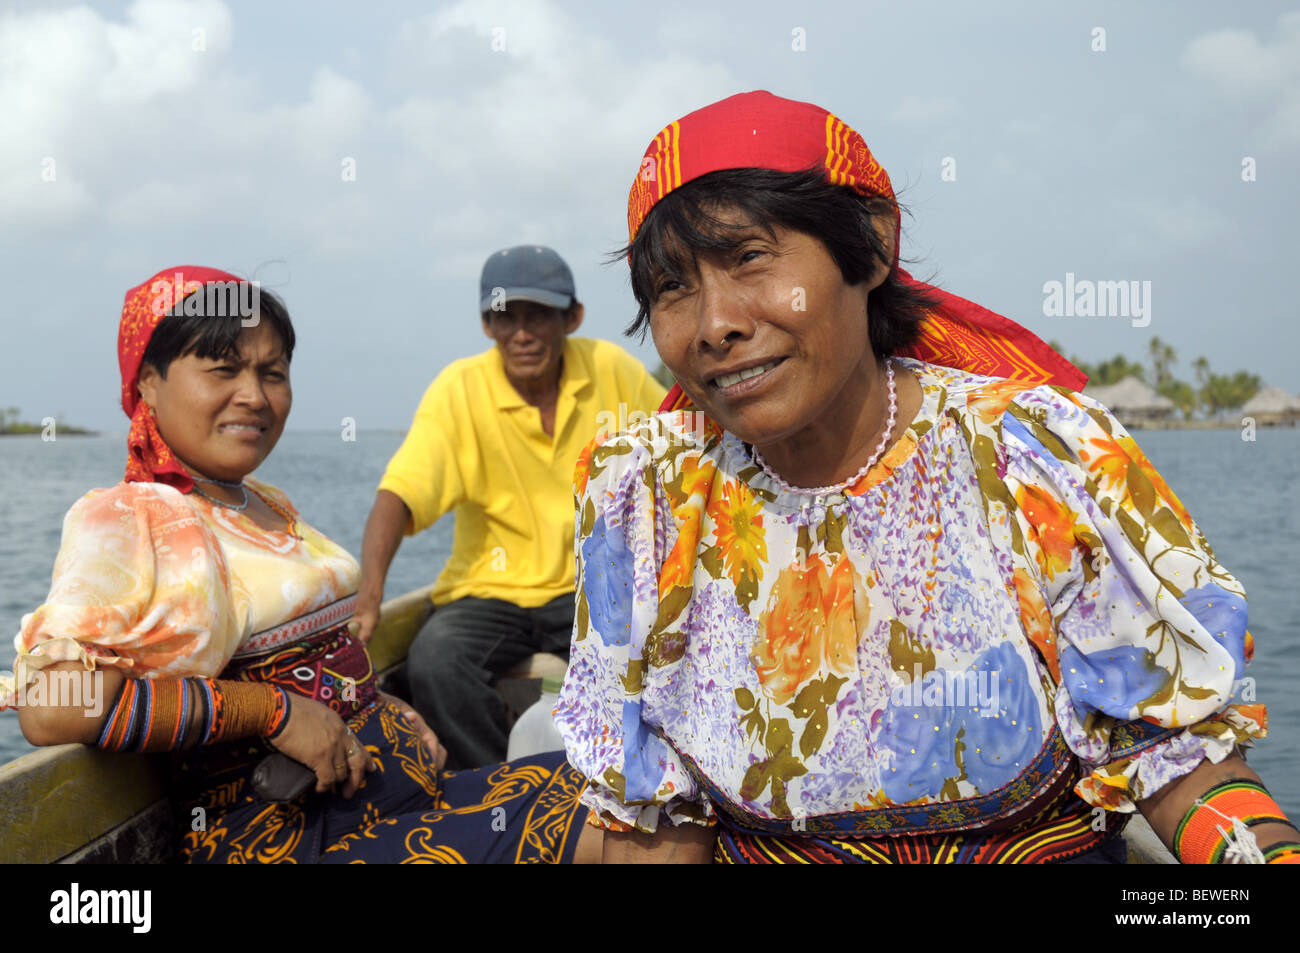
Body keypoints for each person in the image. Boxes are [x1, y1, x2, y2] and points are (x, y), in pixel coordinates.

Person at [554, 91, 1300, 864]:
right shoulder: (645, 501)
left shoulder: (1039, 456)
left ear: (871, 247)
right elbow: (660, 824)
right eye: (674, 286)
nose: (715, 324)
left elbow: (1177, 754)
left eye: (749, 257)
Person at [1, 266, 599, 863]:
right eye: (223, 369)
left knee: (626, 784)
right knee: (618, 823)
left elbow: (314, 663)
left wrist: (384, 705)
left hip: (391, 801)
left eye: (273, 373)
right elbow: (54, 704)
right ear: (149, 384)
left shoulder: (262, 502)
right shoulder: (137, 516)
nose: (254, 396)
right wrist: (272, 712)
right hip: (289, 838)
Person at [356, 246, 665, 768]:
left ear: (572, 317)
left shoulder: (611, 370)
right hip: (489, 592)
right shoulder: (460, 389)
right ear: (486, 325)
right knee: (435, 660)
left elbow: (680, 449)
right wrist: (368, 595)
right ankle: (496, 789)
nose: (522, 334)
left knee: (652, 653)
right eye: (505, 317)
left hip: (590, 587)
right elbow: (400, 494)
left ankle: (616, 784)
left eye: (539, 315)